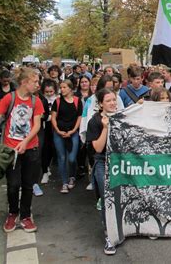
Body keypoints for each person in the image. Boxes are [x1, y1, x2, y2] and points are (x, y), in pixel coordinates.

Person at [0, 67, 44, 233]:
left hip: (31, 149)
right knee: (13, 184)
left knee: (27, 184)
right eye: (35, 82)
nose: (38, 85)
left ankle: (25, 215)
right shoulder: (8, 98)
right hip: (11, 150)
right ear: (25, 82)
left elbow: (37, 125)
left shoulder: (36, 101)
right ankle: (13, 213)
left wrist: (25, 142)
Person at [86, 88, 117, 255]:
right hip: (102, 163)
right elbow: (97, 148)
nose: (112, 103)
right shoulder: (95, 121)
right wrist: (105, 128)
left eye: (114, 100)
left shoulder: (121, 117)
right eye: (108, 101)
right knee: (107, 199)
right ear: (100, 104)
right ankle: (109, 235)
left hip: (120, 164)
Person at [51, 80, 83, 194]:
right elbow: (53, 117)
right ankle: (64, 182)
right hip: (59, 132)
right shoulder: (58, 101)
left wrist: (74, 130)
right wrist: (58, 130)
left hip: (72, 132)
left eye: (64, 87)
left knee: (72, 158)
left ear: (70, 88)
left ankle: (72, 176)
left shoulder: (77, 101)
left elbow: (79, 117)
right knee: (62, 157)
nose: (62, 90)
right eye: (61, 87)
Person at [39, 79, 57, 185]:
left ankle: (49, 165)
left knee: (52, 148)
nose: (49, 94)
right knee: (45, 149)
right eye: (47, 92)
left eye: (51, 91)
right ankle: (45, 170)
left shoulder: (57, 99)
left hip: (55, 126)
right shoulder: (41, 100)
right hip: (45, 126)